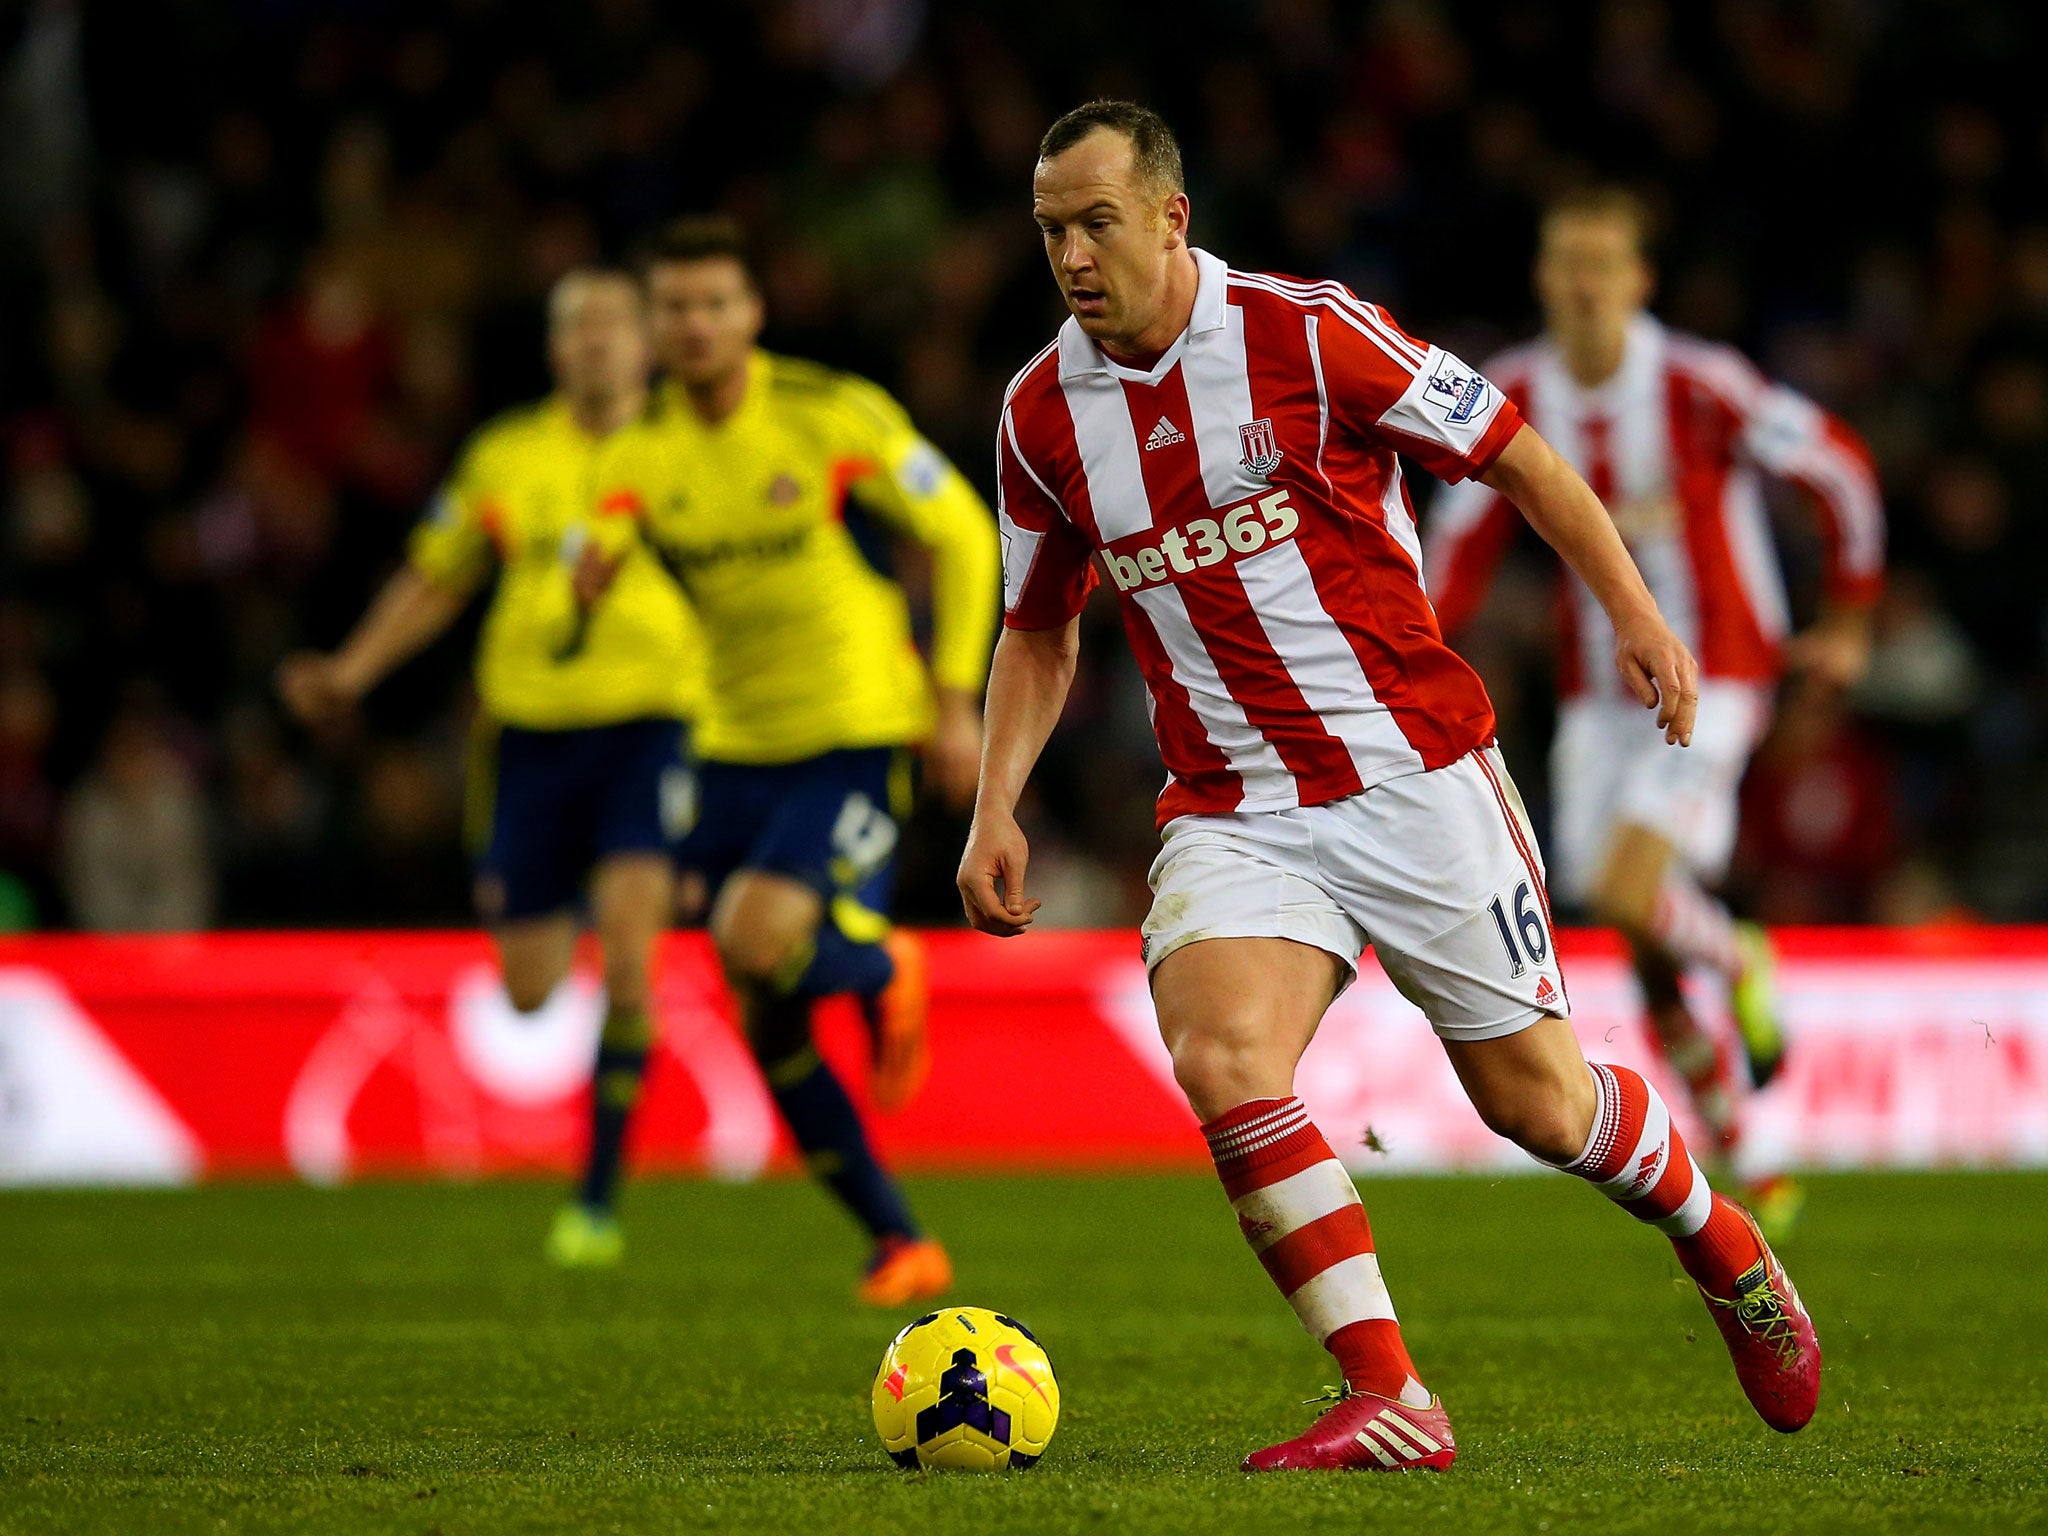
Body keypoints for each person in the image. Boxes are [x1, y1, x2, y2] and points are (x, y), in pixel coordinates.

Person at [962, 100, 1821, 1473]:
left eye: (1097, 221)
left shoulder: (1312, 332)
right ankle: (1393, 1397)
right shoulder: (1036, 417)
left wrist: (1639, 615)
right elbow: (1042, 626)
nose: (1071, 252)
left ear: (1172, 218)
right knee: (1222, 1056)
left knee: (1540, 1106)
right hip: (1236, 803)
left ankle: (1720, 1241)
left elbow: (1521, 457)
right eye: (1051, 228)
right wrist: (995, 799)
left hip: (1412, 769)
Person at [1424, 188, 1884, 1235]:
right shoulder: (1512, 390)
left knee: (1632, 893)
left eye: (1601, 263)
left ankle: (1741, 957)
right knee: (1634, 936)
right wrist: (1406, 650)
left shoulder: (1695, 382)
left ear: (1638, 281)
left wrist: (1848, 622)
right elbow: (1455, 547)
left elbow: (1838, 471)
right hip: (1596, 701)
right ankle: (1746, 1157)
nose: (1582, 284)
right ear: (1541, 279)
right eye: (1563, 263)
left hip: (1715, 674)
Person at [583, 216, 999, 1307]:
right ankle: (897, 1240)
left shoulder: (827, 416)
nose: (694, 325)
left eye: (714, 303)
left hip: (853, 728)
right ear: (652, 325)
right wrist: (584, 591)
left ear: (752, 314)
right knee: (761, 1009)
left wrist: (954, 700)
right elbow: (599, 565)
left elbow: (958, 530)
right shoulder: (636, 457)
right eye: (673, 307)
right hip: (730, 749)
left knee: (752, 935)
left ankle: (881, 965)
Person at [278, 270, 699, 1268]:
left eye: (612, 324)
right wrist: (351, 670)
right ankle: (592, 1168)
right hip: (528, 738)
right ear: (554, 351)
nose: (595, 341)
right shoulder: (506, 456)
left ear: (645, 344)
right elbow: (436, 579)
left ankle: (595, 1200)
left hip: (653, 724)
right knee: (527, 986)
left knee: (635, 959)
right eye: (576, 327)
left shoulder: (688, 450)